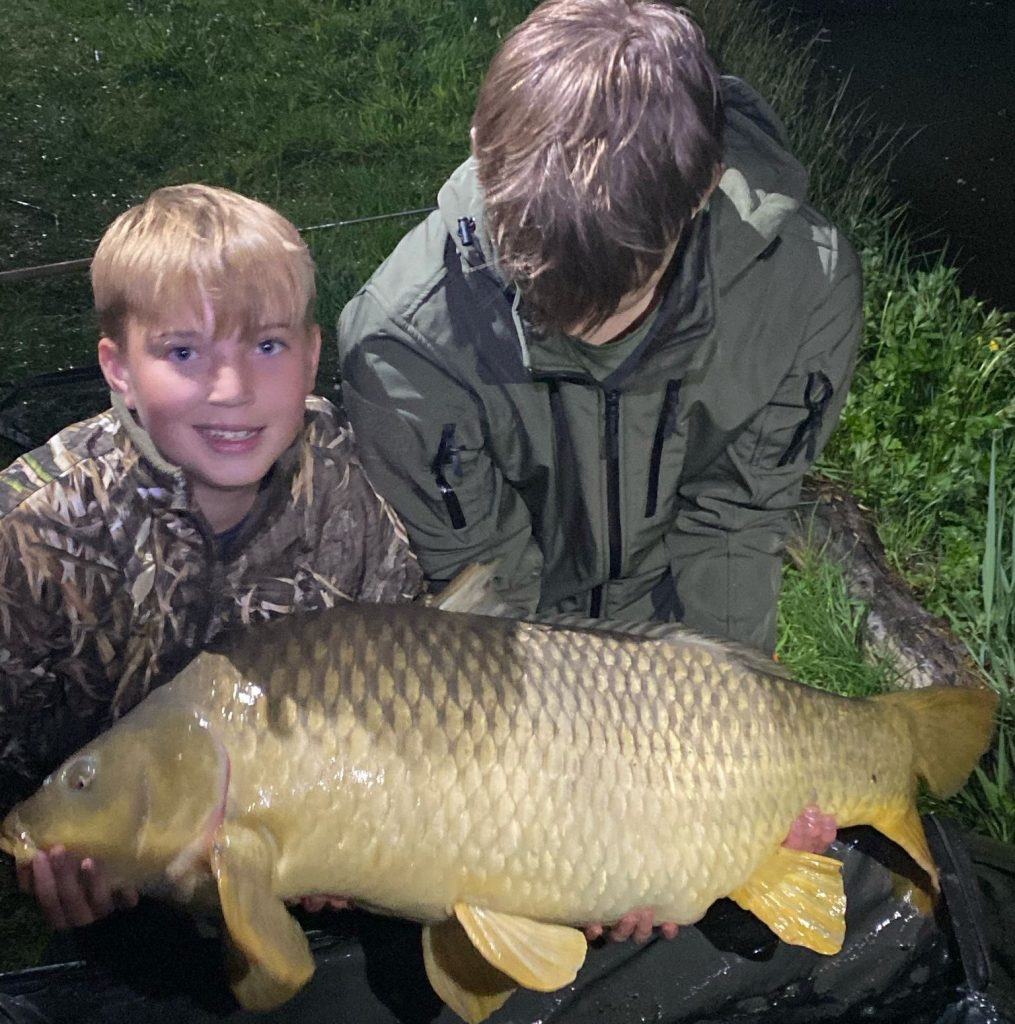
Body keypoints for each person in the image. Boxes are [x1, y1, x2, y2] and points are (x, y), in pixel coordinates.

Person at [337, 0, 862, 656]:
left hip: (673, 614)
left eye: (622, 297)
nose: (584, 331)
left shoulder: (804, 286)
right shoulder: (400, 348)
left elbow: (736, 519)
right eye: (540, 292)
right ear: (479, 148)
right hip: (525, 645)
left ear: (703, 187)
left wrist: (732, 682)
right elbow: (485, 582)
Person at [0, 183, 423, 928]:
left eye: (267, 346)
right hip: (115, 857)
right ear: (119, 370)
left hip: (290, 844)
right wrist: (39, 858)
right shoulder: (32, 530)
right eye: (184, 352)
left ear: (312, 356)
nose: (231, 389)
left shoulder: (344, 483)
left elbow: (408, 677)